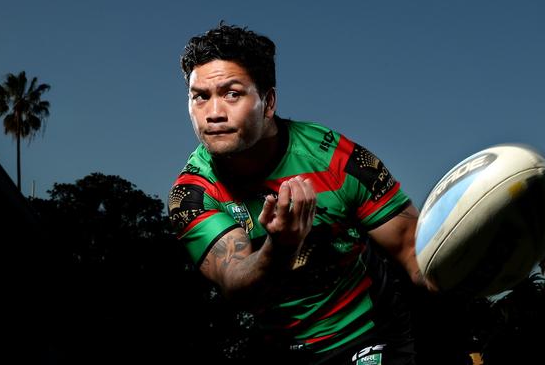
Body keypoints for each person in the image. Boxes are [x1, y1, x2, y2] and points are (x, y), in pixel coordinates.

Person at [169, 23, 434, 365]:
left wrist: (478, 267)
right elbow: (235, 284)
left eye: (232, 93)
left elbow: (412, 249)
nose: (214, 113)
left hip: (368, 333)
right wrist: (281, 247)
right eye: (200, 96)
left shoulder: (340, 160)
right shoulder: (191, 194)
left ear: (268, 102)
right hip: (278, 349)